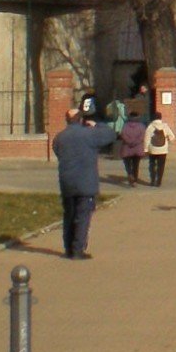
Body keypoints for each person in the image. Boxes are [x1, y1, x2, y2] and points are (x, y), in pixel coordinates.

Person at [53, 98, 117, 259]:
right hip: (86, 182)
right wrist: (97, 125)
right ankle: (78, 249)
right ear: (81, 119)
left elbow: (58, 152)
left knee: (69, 215)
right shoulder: (89, 134)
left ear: (67, 120)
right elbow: (110, 135)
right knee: (82, 217)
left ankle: (68, 249)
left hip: (67, 182)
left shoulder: (60, 137)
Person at [143, 110, 172, 187]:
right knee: (161, 166)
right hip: (163, 150)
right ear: (160, 118)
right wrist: (167, 139)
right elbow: (172, 137)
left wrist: (145, 149)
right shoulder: (165, 126)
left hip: (152, 149)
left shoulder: (150, 127)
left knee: (152, 165)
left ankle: (152, 180)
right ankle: (159, 181)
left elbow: (146, 139)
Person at [118, 111, 147, 186]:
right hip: (137, 148)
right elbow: (142, 136)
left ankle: (130, 174)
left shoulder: (125, 126)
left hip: (127, 148)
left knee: (127, 164)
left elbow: (123, 135)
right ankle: (135, 180)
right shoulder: (142, 126)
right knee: (136, 165)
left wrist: (129, 142)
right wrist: (135, 142)